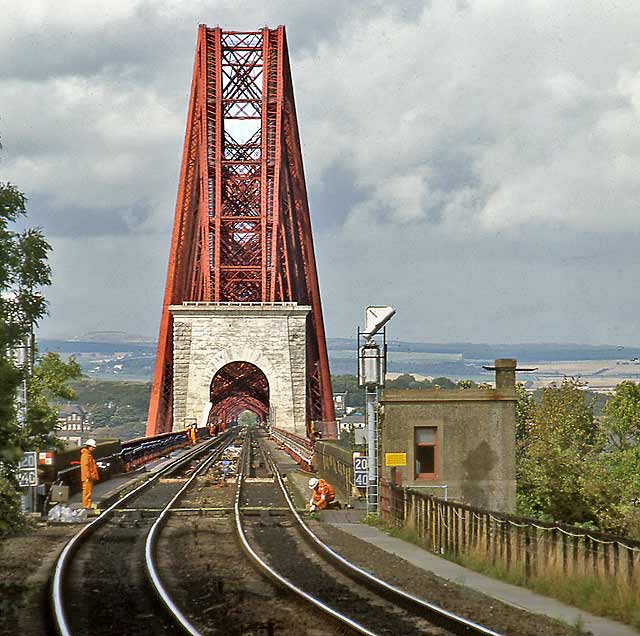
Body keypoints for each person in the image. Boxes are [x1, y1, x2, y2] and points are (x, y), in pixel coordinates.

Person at [81, 438, 100, 509]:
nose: (94, 449)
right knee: (87, 492)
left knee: (88, 492)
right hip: (87, 477)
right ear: (89, 446)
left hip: (89, 477)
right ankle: (86, 506)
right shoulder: (85, 455)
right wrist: (88, 476)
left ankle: (87, 505)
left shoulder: (88, 455)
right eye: (93, 447)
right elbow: (85, 466)